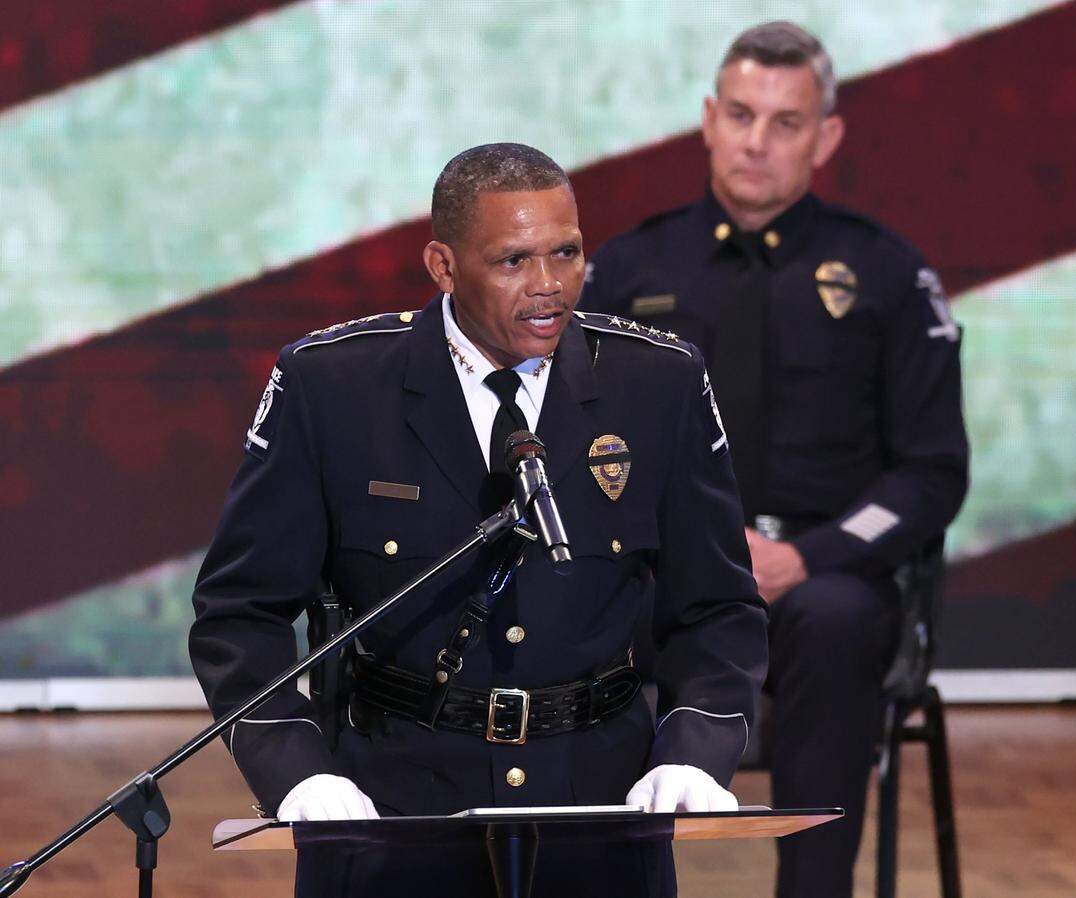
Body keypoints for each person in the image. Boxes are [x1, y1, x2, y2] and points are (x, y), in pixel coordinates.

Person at [189, 142, 768, 898]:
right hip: (392, 806)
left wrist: (695, 747)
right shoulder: (332, 387)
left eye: (567, 253)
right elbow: (240, 612)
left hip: (598, 804)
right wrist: (295, 771)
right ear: (442, 265)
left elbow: (718, 607)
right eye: (513, 261)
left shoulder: (657, 383)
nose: (549, 287)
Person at [579, 23, 968, 898]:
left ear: (826, 136)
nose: (757, 142)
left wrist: (809, 555)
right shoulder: (627, 268)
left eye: (786, 123)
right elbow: (570, 444)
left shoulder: (887, 273)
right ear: (709, 120)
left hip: (823, 577)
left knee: (831, 620)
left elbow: (932, 471)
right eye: (743, 115)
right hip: (657, 574)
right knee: (571, 626)